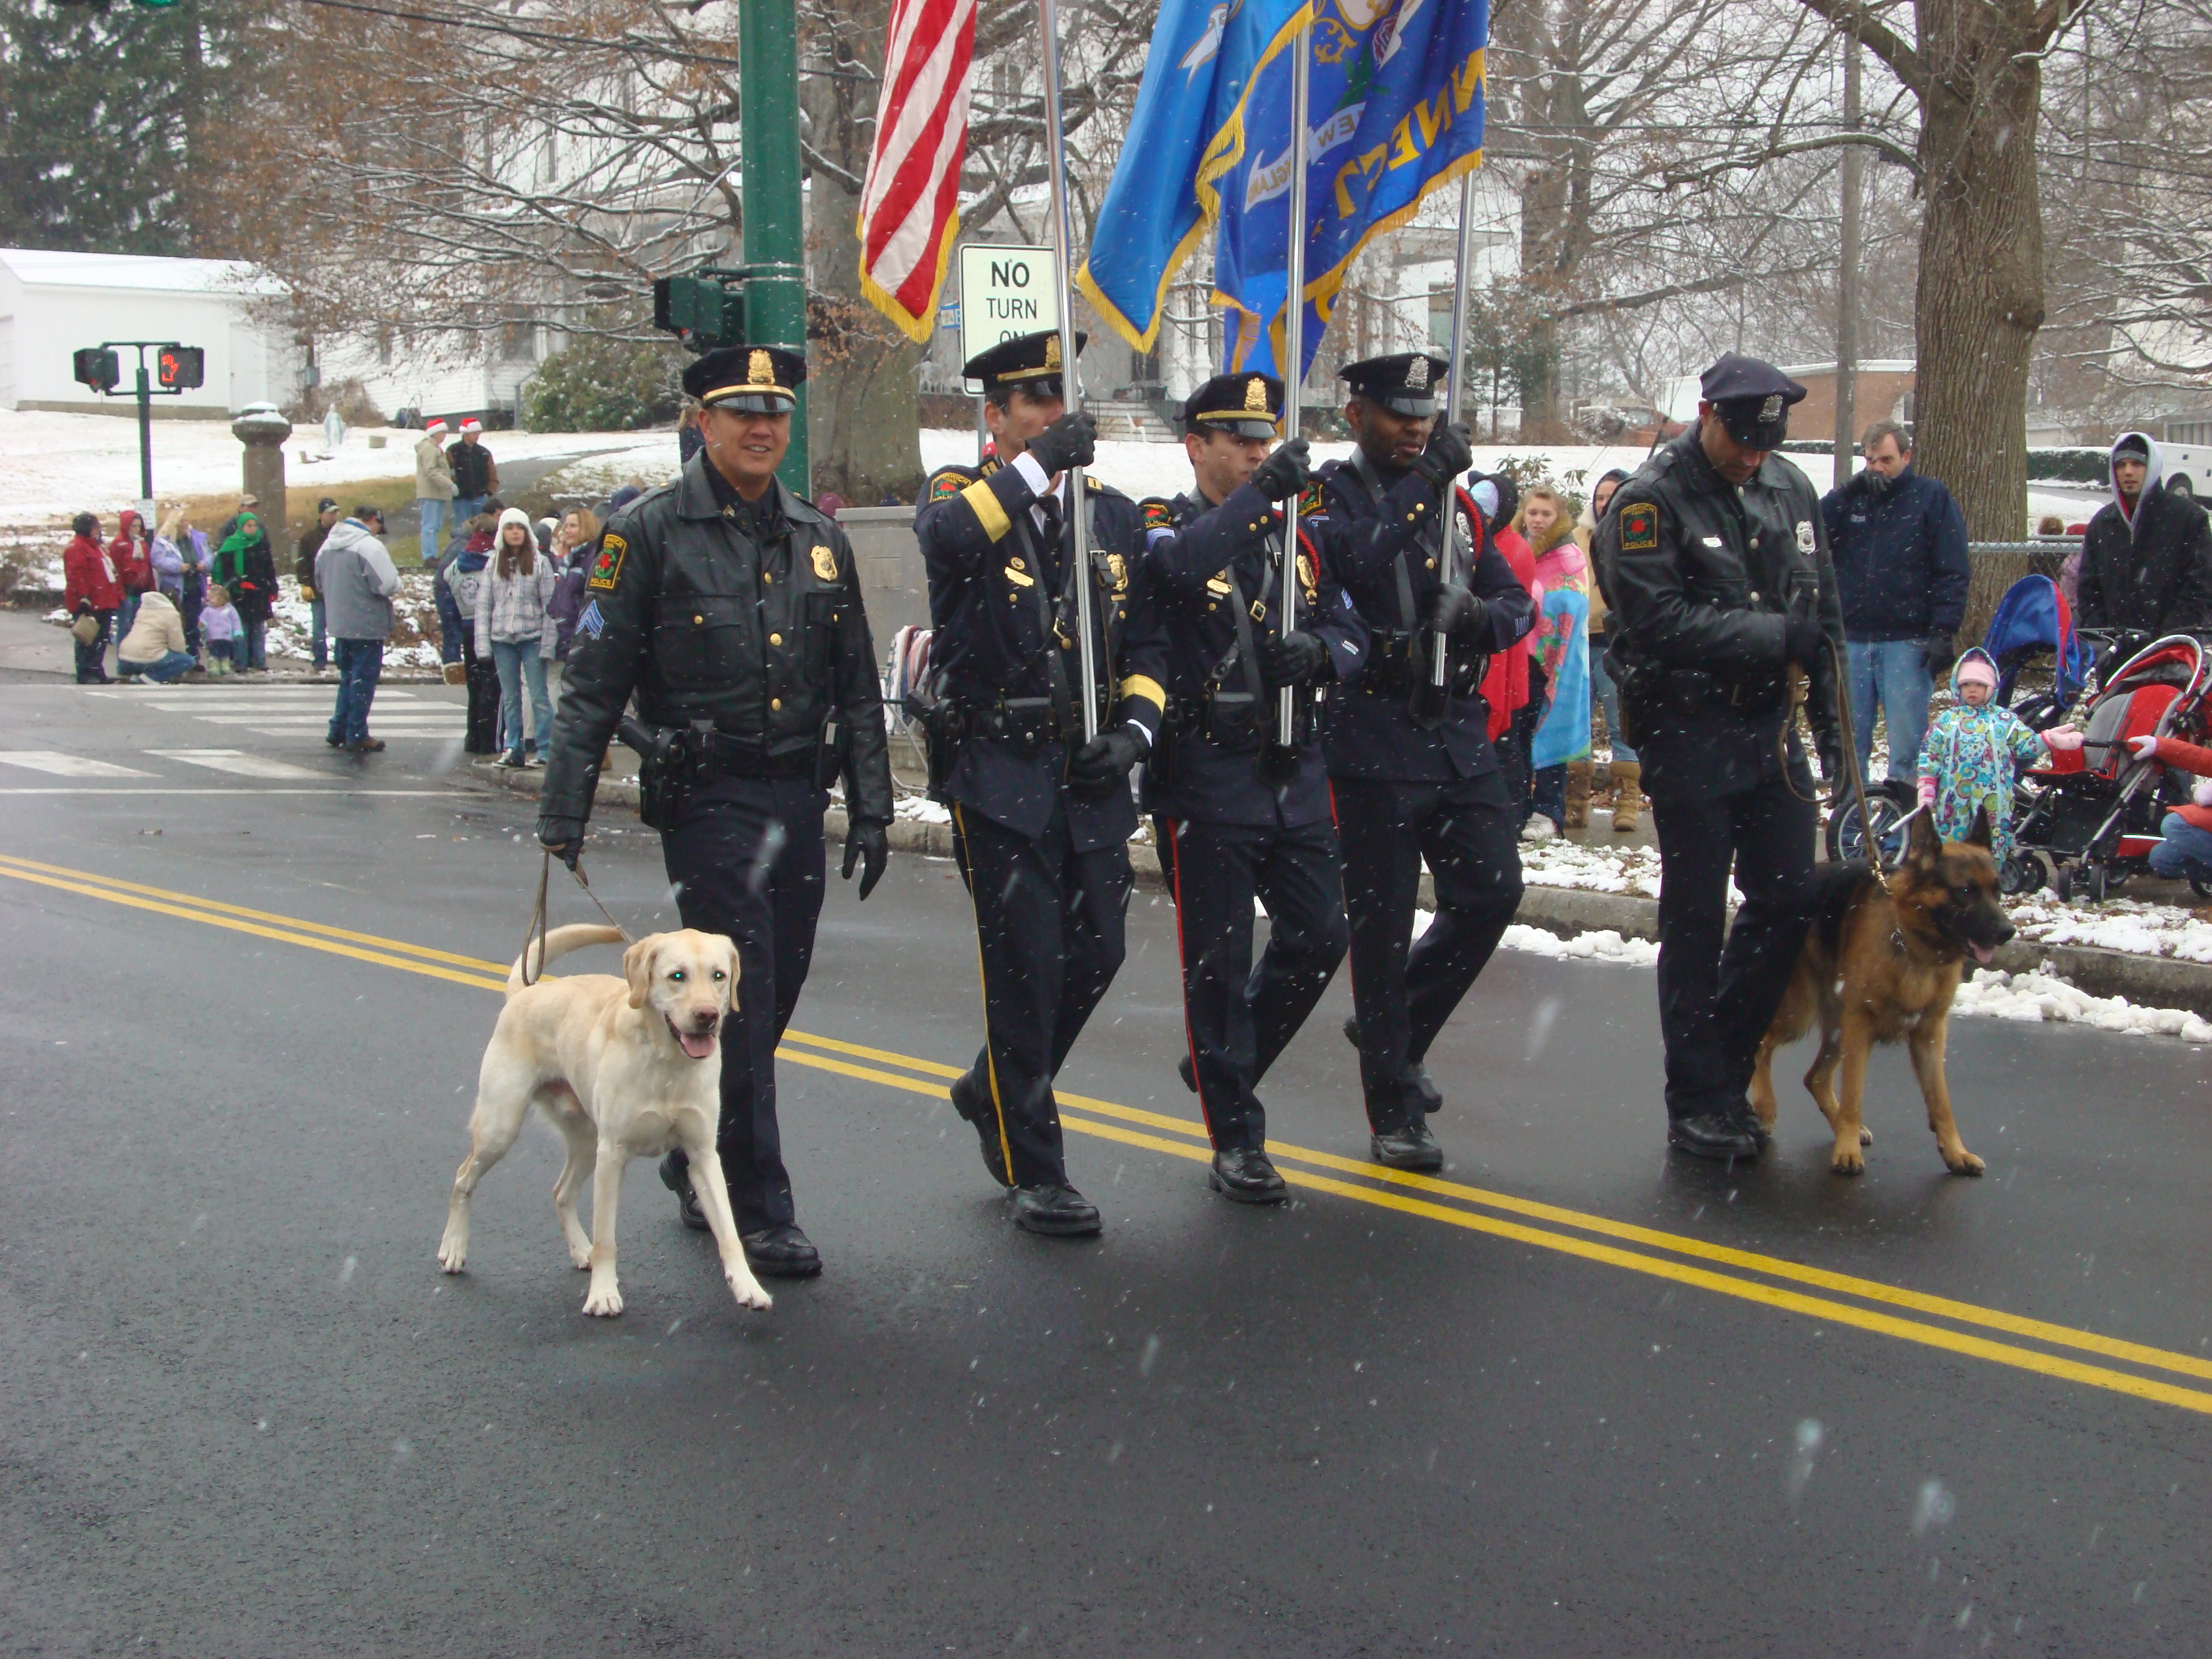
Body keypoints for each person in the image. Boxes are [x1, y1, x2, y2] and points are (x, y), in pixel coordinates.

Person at [538, 343, 895, 1282]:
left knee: (766, 998)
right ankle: (758, 1203)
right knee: (748, 987)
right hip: (709, 798)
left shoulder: (819, 535)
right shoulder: (648, 533)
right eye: (740, 412)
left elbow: (858, 683)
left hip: (794, 791)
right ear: (703, 422)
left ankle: (702, 1143)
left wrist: (872, 804)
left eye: (774, 413)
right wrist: (563, 804)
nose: (761, 428)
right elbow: (595, 682)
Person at [914, 327, 1168, 1234]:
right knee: (1026, 971)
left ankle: (994, 1086)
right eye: (1035, 402)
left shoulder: (1112, 515)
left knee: (1098, 952)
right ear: (997, 417)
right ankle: (1037, 1168)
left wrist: (1137, 732)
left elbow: (1148, 642)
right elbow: (947, 540)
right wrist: (1034, 471)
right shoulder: (962, 497)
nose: (1057, 416)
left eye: (1064, 399)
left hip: (1089, 770)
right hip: (1002, 768)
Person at [1592, 352, 1845, 1162]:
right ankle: (1694, 1094)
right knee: (1696, 916)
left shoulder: (1789, 489)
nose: (1751, 455)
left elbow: (1823, 614)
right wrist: (1774, 637)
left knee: (1788, 897)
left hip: (1772, 729)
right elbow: (1656, 619)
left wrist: (1837, 738)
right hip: (1689, 726)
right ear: (1706, 414)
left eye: (1765, 442)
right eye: (1740, 438)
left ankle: (1730, 1069)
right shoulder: (1651, 500)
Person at [1138, 373, 1363, 1202]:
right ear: (1196, 446)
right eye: (1238, 439)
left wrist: (1327, 655)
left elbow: (1349, 625)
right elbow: (1182, 570)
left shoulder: (1296, 533)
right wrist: (1263, 495)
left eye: (1263, 440)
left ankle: (1223, 1062)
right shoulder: (1166, 521)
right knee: (1219, 965)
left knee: (1321, 933)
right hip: (1208, 775)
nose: (1257, 452)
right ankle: (1236, 1134)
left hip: (1291, 769)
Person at [1311, 353, 1535, 1170]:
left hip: (1455, 730)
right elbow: (1358, 559)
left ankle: (1396, 1021)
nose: (1415, 427)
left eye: (1425, 414)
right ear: (1356, 416)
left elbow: (1519, 604)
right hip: (1373, 732)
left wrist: (1478, 615)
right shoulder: (1328, 495)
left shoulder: (1456, 508)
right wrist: (1425, 483)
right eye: (1398, 413)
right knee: (1381, 923)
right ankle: (1393, 1107)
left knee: (1493, 888)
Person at [1820, 419, 1970, 785]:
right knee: (1850, 746)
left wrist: (1943, 630)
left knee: (1906, 750)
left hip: (1907, 640)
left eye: (1886, 460)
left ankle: (1900, 835)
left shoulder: (1931, 498)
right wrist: (1847, 492)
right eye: (1870, 460)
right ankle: (1853, 832)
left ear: (1906, 456)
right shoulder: (1850, 501)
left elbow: (1952, 567)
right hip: (1853, 638)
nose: (1877, 469)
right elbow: (1812, 532)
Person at [1917, 648, 2081, 863]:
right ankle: (1953, 884)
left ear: (1991, 688)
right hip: (1953, 801)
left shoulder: (2004, 720)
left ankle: (1990, 879)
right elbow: (1930, 755)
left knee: (1993, 843)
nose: (1972, 690)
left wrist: (2049, 740)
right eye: (1966, 685)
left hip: (1995, 801)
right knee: (1951, 846)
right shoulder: (1947, 721)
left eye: (1979, 685)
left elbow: (2026, 745)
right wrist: (1927, 787)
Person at [2077, 432, 2212, 637]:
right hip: (2114, 651)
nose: (2128, 472)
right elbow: (2089, 591)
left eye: (2137, 464)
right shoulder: (2102, 524)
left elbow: (2199, 589)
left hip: (2174, 651)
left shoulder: (2189, 519)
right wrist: (2107, 636)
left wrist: (2164, 638)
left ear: (2152, 467)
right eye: (2121, 465)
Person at [1518, 483, 1591, 836]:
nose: (1538, 520)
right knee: (1519, 733)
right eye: (1533, 512)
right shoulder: (1518, 548)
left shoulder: (1569, 556)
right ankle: (1518, 805)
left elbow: (1574, 601)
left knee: (1551, 728)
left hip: (1555, 661)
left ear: (1558, 517)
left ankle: (1548, 809)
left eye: (1546, 514)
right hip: (1521, 658)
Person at [1580, 467, 1642, 831]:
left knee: (1623, 728)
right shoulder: (1577, 537)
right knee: (1578, 730)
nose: (1604, 503)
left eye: (1612, 496)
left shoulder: (1636, 534)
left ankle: (1628, 803)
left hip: (1616, 646)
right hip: (1578, 645)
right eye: (1600, 497)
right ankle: (1576, 802)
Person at [475, 507, 557, 767]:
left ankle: (545, 748)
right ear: (502, 532)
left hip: (532, 636)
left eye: (519, 528)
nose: (515, 533)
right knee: (510, 697)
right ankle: (514, 748)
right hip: (502, 638)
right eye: (510, 528)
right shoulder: (493, 564)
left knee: (538, 695)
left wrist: (548, 643)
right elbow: (484, 605)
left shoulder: (540, 563)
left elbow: (550, 607)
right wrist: (483, 644)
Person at [317, 505, 401, 753]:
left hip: (339, 623)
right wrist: (398, 582)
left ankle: (338, 728)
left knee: (348, 678)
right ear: (373, 520)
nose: (377, 534)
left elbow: (319, 581)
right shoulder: (369, 546)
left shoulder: (327, 546)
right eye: (378, 528)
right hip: (366, 624)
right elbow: (387, 585)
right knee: (363, 681)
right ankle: (357, 732)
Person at [444, 511, 502, 752]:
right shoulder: (494, 560)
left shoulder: (459, 562)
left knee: (475, 684)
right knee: (493, 685)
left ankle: (473, 736)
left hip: (468, 626)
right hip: (489, 626)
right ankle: (489, 739)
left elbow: (445, 579)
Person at [212, 510, 276, 672]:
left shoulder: (261, 544)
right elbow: (225, 570)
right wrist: (239, 582)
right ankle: (242, 661)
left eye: (254, 525)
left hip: (259, 593)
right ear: (241, 527)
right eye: (249, 526)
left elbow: (269, 568)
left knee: (258, 629)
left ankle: (259, 661)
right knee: (242, 629)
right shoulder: (232, 545)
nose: (252, 529)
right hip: (240, 594)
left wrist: (271, 588)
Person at [63, 512, 119, 684]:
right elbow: (76, 575)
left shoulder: (95, 546)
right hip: (91, 601)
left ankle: (96, 670)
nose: (99, 530)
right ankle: (85, 672)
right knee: (87, 639)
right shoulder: (77, 548)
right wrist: (83, 597)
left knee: (101, 639)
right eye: (96, 527)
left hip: (103, 599)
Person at [295, 498, 341, 672]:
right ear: (321, 514)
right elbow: (303, 563)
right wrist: (305, 583)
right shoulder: (310, 538)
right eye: (330, 513)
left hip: (338, 589)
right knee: (319, 629)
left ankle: (340, 659)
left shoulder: (341, 536)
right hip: (318, 590)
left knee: (340, 629)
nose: (333, 516)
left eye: (335, 513)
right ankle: (320, 660)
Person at [114, 589, 197, 682]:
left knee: (149, 656)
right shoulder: (172, 614)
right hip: (146, 657)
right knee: (188, 661)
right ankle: (150, 678)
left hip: (125, 656)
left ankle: (136, 674)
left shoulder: (143, 611)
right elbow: (178, 645)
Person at [107, 510, 154, 642]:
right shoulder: (118, 545)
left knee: (140, 628)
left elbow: (147, 567)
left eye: (139, 526)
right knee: (125, 628)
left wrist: (151, 588)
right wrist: (120, 593)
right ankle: (123, 659)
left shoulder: (142, 544)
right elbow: (115, 570)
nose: (136, 529)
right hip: (127, 592)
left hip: (142, 591)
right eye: (133, 526)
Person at [415, 418, 456, 566]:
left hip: (437, 493)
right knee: (430, 526)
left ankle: (433, 554)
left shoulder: (436, 448)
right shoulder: (428, 448)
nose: (445, 435)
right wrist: (449, 483)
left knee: (436, 525)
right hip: (430, 493)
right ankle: (429, 556)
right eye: (443, 432)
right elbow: (430, 471)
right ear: (435, 433)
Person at [447, 416, 499, 526]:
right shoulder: (453, 451)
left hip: (481, 497)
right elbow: (447, 472)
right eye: (475, 433)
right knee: (462, 529)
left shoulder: (484, 453)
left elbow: (492, 473)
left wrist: (489, 492)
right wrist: (452, 488)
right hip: (461, 498)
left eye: (479, 433)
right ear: (466, 433)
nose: (477, 436)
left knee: (481, 528)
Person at [199, 584, 244, 675]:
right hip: (212, 637)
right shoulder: (208, 610)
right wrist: (202, 626)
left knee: (225, 653)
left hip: (226, 636)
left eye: (213, 598)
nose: (210, 600)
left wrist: (238, 631)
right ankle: (213, 667)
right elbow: (203, 620)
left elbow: (236, 621)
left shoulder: (230, 610)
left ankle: (225, 666)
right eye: (210, 598)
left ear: (222, 599)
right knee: (214, 653)